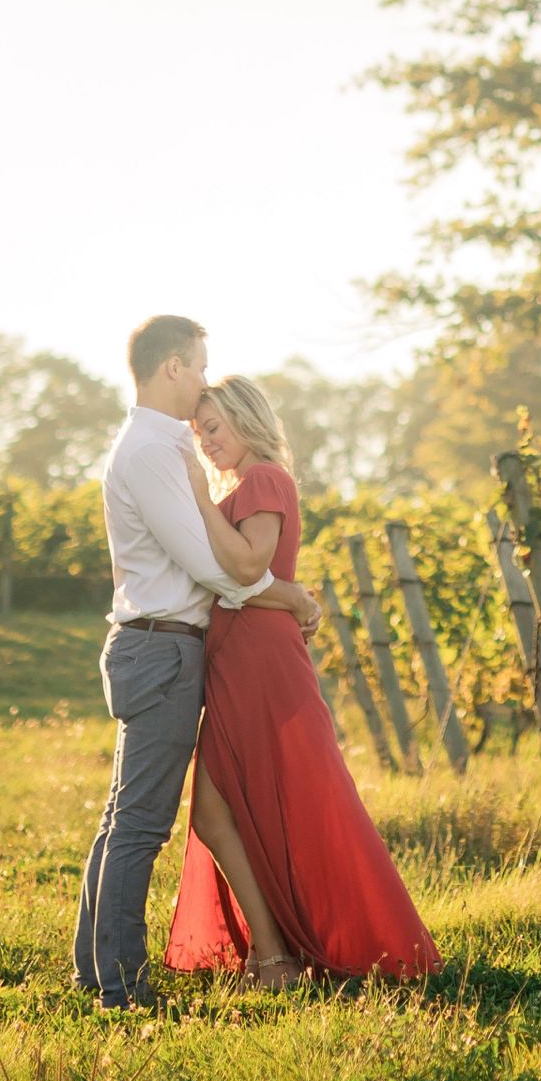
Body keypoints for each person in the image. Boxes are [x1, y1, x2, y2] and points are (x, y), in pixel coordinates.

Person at [72, 315, 321, 1011]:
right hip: (161, 647)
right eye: (201, 365)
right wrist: (288, 595)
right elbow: (212, 565)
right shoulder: (150, 451)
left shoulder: (156, 444)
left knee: (125, 816)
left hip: (159, 643)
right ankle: (118, 985)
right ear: (174, 366)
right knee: (141, 824)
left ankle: (95, 971)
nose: (207, 380)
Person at [163, 374, 439, 984]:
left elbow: (248, 565)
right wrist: (292, 597)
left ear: (245, 417)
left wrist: (200, 501)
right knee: (218, 812)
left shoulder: (263, 478)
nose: (205, 442)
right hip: (237, 660)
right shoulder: (239, 483)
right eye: (197, 433)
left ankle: (285, 954)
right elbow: (238, 580)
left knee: (290, 803)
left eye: (213, 427)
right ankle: (275, 953)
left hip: (262, 664)